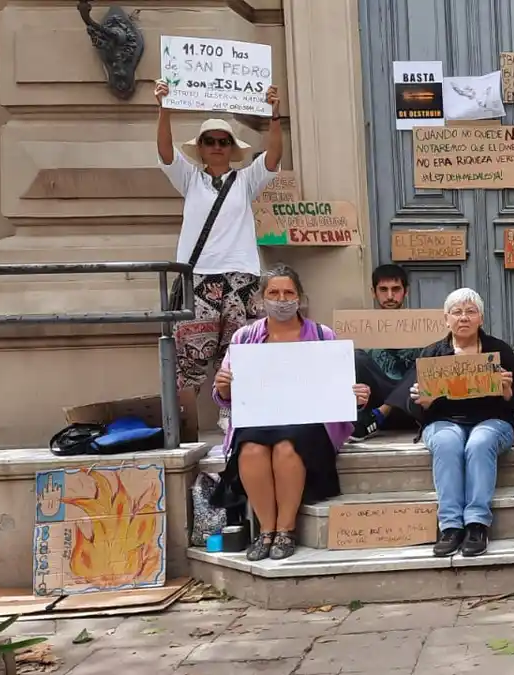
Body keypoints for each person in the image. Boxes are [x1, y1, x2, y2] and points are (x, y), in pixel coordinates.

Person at [210, 264, 369, 561]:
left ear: (300, 297)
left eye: (288, 293)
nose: (281, 300)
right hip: (261, 418)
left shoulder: (322, 335)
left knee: (287, 447)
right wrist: (224, 387)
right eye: (274, 293)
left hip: (308, 422)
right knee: (251, 449)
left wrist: (355, 397)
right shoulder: (245, 338)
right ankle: (266, 530)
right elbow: (224, 397)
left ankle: (286, 529)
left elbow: (340, 388)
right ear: (261, 299)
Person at [155, 80, 284, 425]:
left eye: (222, 141)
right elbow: (165, 154)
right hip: (198, 275)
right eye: (209, 141)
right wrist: (164, 108)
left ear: (231, 147)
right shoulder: (190, 179)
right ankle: (184, 425)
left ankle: (234, 415)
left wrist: (274, 115)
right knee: (192, 352)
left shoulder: (245, 180)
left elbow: (273, 158)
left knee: (239, 351)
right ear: (200, 147)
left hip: (240, 275)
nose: (216, 147)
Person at [406, 288, 514, 558]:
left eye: (470, 312)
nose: (464, 318)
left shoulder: (499, 350)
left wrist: (508, 392)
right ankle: (450, 526)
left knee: (479, 442)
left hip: (493, 421)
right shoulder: (432, 353)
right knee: (447, 443)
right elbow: (412, 408)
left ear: (481, 319)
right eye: (457, 312)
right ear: (446, 319)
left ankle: (476, 524)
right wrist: (421, 402)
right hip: (444, 422)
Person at [351, 264, 421, 441]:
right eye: (383, 289)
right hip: (374, 404)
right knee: (356, 356)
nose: (390, 296)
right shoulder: (361, 329)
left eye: (396, 289)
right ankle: (374, 416)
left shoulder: (422, 326)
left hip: (410, 406)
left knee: (426, 360)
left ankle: (383, 412)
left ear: (406, 291)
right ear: (373, 292)